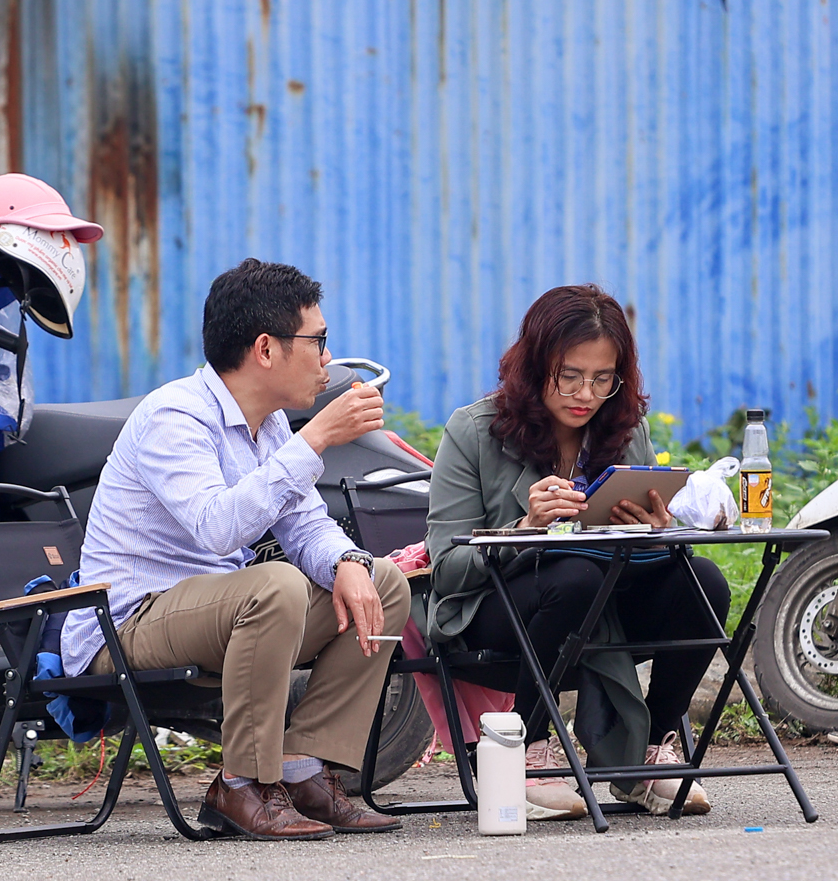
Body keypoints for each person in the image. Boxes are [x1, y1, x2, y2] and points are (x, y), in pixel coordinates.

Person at [62, 259, 412, 840]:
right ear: (266, 349)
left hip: (228, 611)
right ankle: (241, 784)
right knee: (274, 585)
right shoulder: (174, 416)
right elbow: (217, 529)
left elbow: (306, 526)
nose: (328, 357)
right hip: (130, 619)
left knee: (383, 582)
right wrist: (318, 436)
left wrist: (350, 563)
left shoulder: (270, 426)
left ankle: (303, 769)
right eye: (318, 341)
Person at [424, 284, 724, 818]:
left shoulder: (625, 429)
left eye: (602, 378)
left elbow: (641, 548)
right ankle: (525, 753)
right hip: (494, 611)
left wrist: (655, 530)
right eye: (569, 375)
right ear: (535, 365)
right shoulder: (472, 431)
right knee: (573, 578)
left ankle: (646, 755)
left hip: (603, 600)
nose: (585, 393)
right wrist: (525, 526)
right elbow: (447, 570)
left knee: (704, 580)